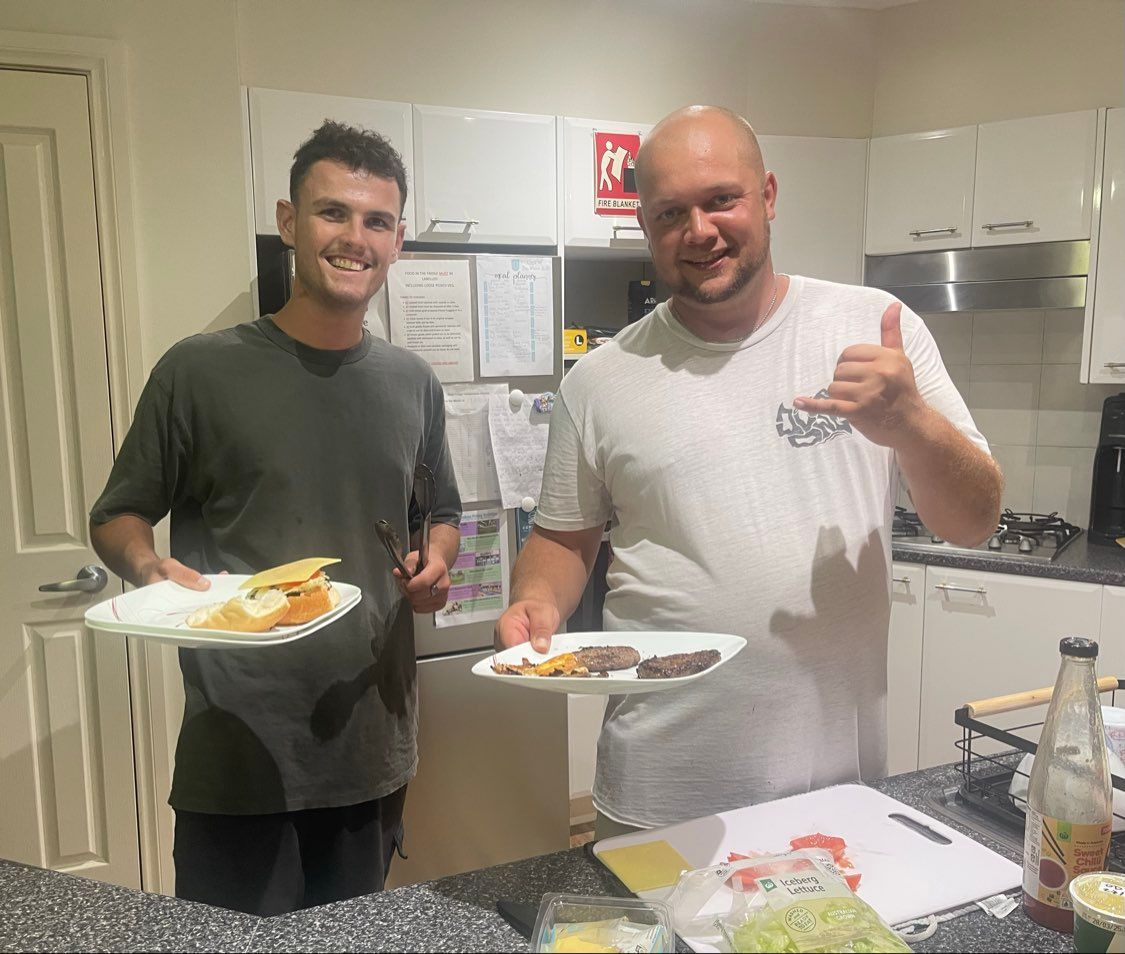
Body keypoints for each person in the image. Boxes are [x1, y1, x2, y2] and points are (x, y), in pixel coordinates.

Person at [496, 105, 1002, 838]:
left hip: (832, 783)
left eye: (720, 200)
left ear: (766, 195)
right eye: (670, 212)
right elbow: (564, 540)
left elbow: (975, 521)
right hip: (656, 787)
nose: (698, 230)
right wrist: (534, 599)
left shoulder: (872, 327)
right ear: (645, 226)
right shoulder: (600, 379)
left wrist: (913, 426)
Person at [89, 121, 462, 914]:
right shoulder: (200, 369)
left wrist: (436, 561)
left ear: (397, 240)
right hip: (241, 754)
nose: (354, 238)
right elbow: (118, 515)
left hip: (370, 745)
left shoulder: (411, 382)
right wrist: (155, 573)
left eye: (376, 221)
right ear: (289, 222)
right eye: (332, 213)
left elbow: (441, 513)